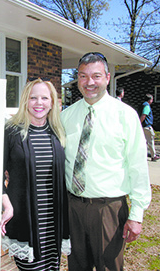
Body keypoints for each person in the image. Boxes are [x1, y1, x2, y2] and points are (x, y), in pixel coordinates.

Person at [61, 52, 151, 271]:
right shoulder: (66, 116)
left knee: (108, 267)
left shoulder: (125, 115)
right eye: (83, 76)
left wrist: (136, 215)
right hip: (73, 207)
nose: (89, 82)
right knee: (77, 266)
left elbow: (138, 166)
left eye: (96, 76)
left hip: (108, 209)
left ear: (107, 78)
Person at [0, 78, 70, 271]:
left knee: (52, 267)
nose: (39, 103)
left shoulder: (58, 132)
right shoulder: (11, 131)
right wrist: (6, 206)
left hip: (53, 221)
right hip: (26, 220)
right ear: (25, 101)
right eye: (33, 98)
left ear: (52, 103)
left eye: (44, 98)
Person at [139, 94, 159, 161]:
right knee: (150, 141)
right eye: (152, 99)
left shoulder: (143, 105)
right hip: (147, 127)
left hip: (143, 126)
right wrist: (140, 123)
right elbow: (144, 115)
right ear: (150, 100)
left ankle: (142, 155)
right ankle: (153, 156)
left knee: (143, 141)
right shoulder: (146, 106)